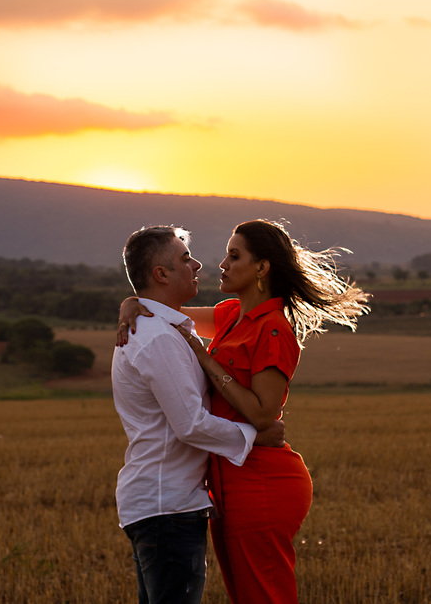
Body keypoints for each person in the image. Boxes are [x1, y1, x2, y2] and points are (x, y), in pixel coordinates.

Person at [119, 219, 369, 603]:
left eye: (234, 256)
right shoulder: (231, 314)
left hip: (261, 481)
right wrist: (132, 303)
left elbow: (263, 416)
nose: (220, 264)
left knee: (264, 595)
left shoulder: (272, 329)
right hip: (228, 485)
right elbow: (167, 311)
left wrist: (206, 359)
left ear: (261, 268)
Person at [112, 225, 286, 604]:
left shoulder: (164, 328)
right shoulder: (159, 338)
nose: (200, 264)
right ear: (161, 274)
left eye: (233, 255)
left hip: (167, 503)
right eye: (184, 258)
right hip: (168, 505)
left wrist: (131, 301)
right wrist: (258, 436)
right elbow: (190, 424)